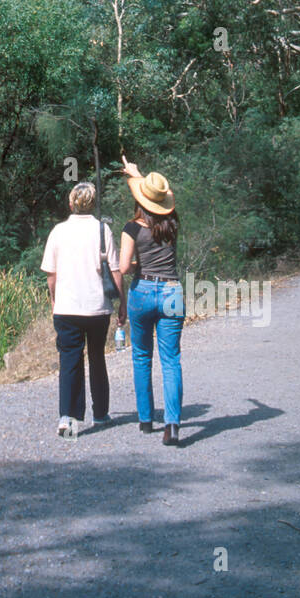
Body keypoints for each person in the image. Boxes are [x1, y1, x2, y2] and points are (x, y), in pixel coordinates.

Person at [41, 181, 124, 438]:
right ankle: (100, 413)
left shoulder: (58, 231)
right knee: (97, 358)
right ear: (93, 203)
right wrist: (123, 304)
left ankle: (68, 417)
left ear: (71, 203)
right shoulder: (103, 230)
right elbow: (116, 271)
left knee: (69, 361)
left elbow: (51, 275)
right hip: (97, 307)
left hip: (67, 307)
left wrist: (54, 299)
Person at [119, 159, 185, 447]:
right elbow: (156, 196)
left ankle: (146, 420)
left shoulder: (132, 228)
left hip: (143, 291)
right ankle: (172, 425)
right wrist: (137, 175)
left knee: (142, 357)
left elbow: (122, 268)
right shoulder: (173, 223)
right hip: (172, 291)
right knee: (171, 361)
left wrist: (136, 265)